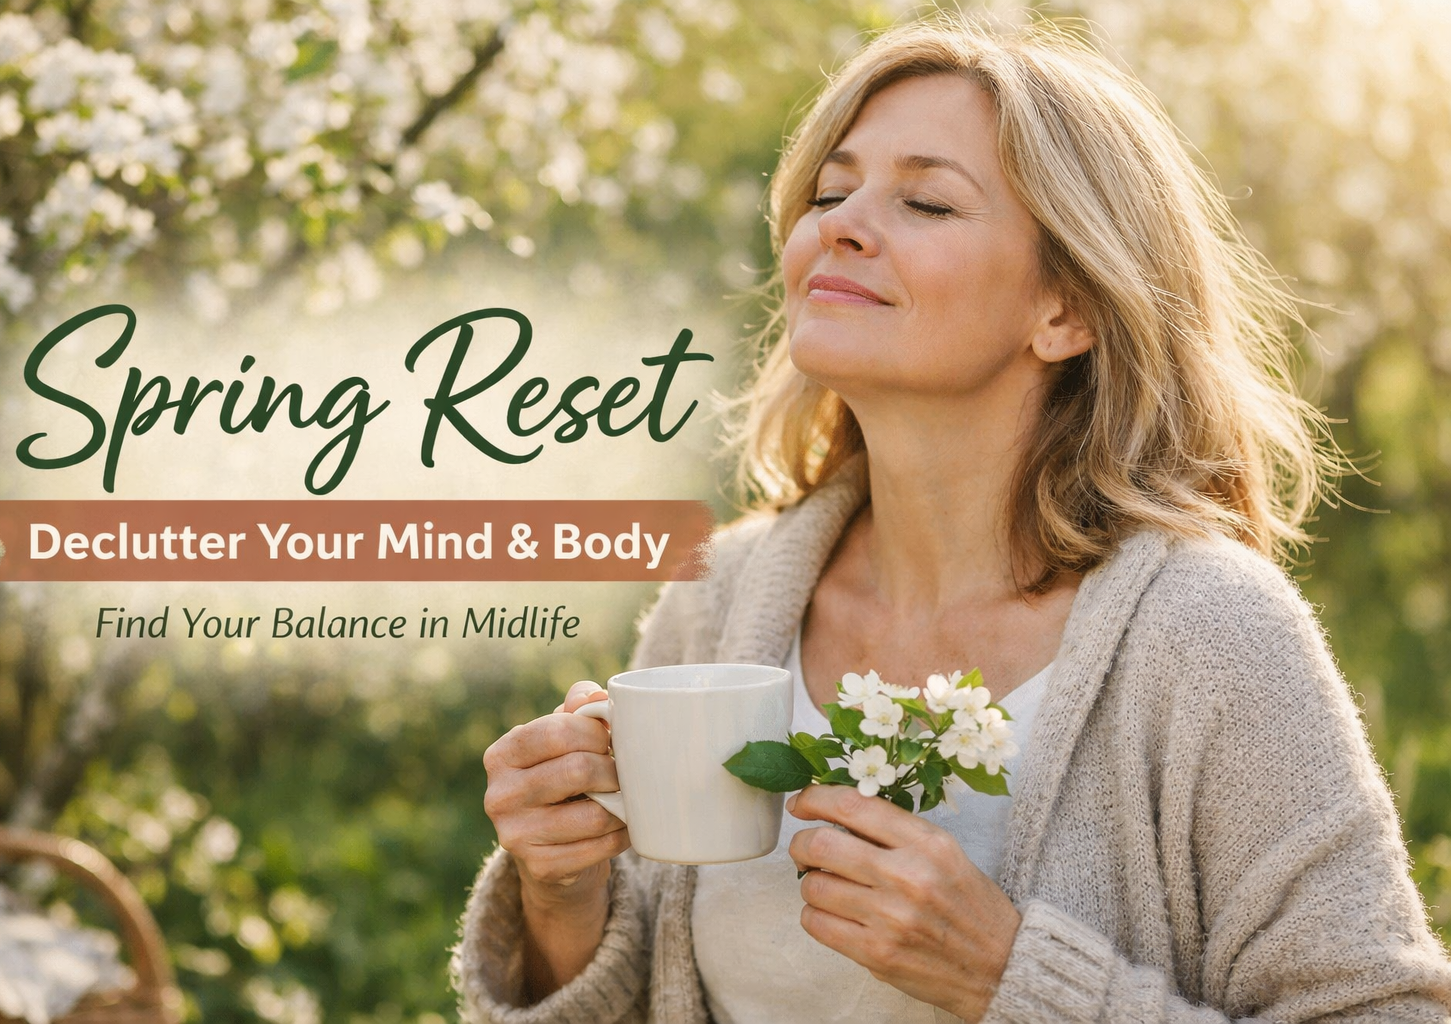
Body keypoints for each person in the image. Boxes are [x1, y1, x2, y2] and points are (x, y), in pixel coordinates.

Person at [452, 14, 1451, 1024]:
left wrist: (1007, 976)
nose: (839, 224)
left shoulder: (1213, 637)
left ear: (1064, 310)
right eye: (830, 192)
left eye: (926, 200)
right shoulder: (720, 599)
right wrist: (560, 894)